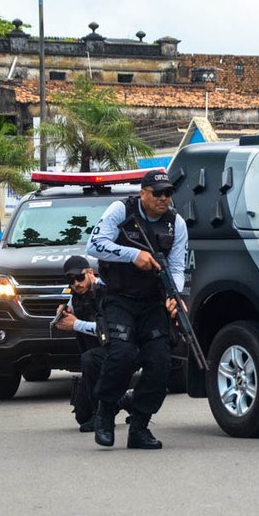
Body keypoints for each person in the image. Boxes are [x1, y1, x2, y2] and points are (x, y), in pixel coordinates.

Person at [86, 169, 187, 450]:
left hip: (153, 301)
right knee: (123, 354)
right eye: (158, 193)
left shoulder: (175, 223)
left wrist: (173, 295)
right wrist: (134, 256)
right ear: (143, 193)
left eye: (168, 193)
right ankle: (105, 412)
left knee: (161, 362)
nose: (164, 198)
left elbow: (177, 267)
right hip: (119, 298)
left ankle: (139, 425)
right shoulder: (121, 210)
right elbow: (93, 246)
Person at [53, 255, 132, 432]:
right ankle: (127, 400)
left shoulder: (107, 291)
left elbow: (113, 329)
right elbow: (72, 307)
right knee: (82, 416)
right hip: (97, 356)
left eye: (79, 278)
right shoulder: (76, 296)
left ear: (90, 272)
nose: (76, 284)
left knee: (90, 359)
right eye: (70, 280)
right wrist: (64, 312)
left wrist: (75, 324)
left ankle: (103, 414)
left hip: (119, 352)